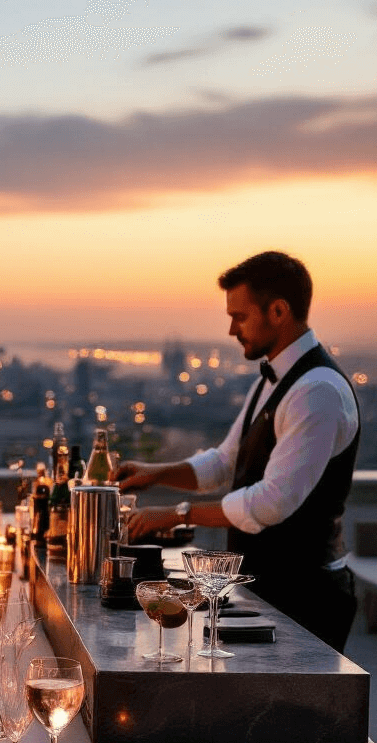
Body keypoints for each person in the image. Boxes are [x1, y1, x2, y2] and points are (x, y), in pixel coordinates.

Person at [114, 251, 360, 651]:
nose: (231, 329)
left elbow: (270, 503)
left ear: (278, 311)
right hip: (270, 587)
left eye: (240, 317)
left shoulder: (317, 392)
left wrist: (176, 514)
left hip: (308, 594)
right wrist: (156, 472)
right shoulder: (272, 379)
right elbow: (226, 463)